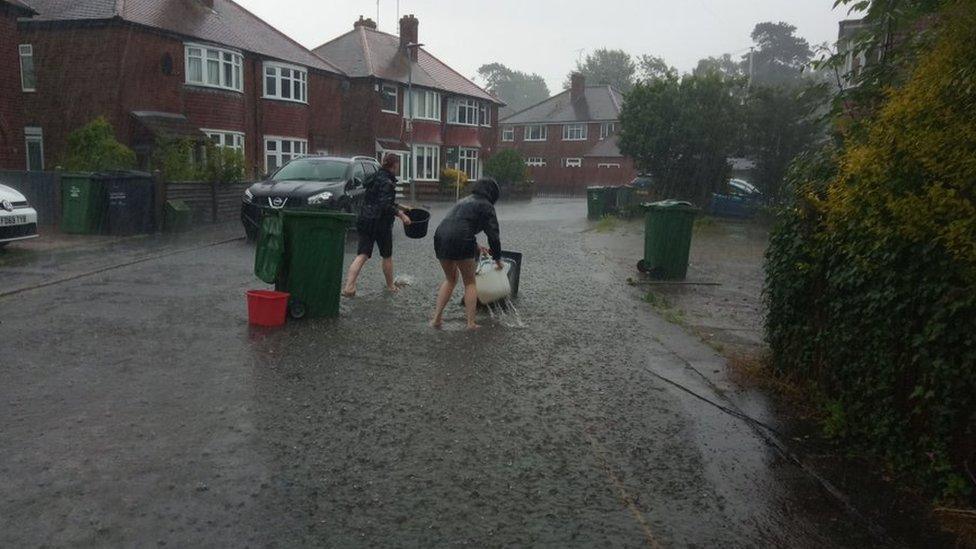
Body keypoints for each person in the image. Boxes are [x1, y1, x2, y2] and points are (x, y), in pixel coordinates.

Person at [430, 178, 503, 330]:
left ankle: (436, 319)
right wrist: (497, 258)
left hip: (440, 235)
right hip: (462, 238)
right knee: (470, 282)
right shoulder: (487, 206)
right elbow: (493, 236)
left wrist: (475, 245)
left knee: (450, 279)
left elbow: (457, 224)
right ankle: (470, 323)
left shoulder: (463, 201)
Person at [342, 154, 411, 296]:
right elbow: (384, 205)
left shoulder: (375, 177)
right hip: (380, 223)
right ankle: (391, 286)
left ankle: (349, 287)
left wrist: (400, 206)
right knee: (387, 255)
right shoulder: (388, 182)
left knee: (362, 254)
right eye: (398, 165)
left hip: (365, 219)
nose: (398, 168)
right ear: (394, 165)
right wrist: (401, 215)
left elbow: (377, 200)